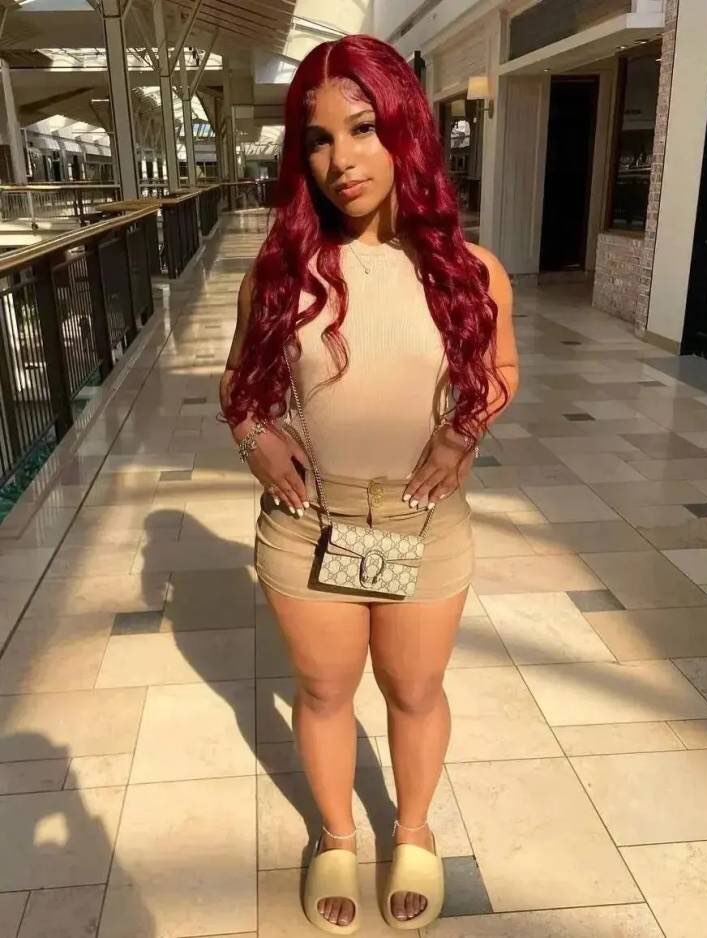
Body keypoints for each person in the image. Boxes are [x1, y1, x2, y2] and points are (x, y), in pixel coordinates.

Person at [219, 35, 519, 934]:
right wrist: (253, 438)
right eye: (317, 139)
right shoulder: (279, 271)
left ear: (406, 131)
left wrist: (465, 428)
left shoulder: (470, 270)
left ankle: (413, 832)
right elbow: (237, 384)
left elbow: (502, 368)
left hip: (422, 523)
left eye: (362, 128)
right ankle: (338, 836)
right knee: (322, 692)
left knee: (415, 691)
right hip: (309, 524)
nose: (341, 160)